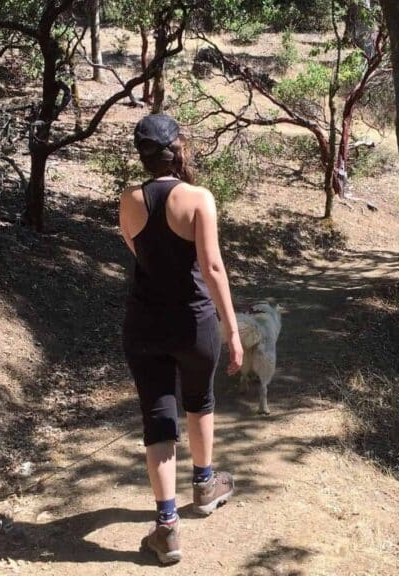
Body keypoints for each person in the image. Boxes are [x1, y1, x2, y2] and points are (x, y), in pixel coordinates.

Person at [118, 114, 244, 564]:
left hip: (145, 325)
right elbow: (211, 269)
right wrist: (232, 329)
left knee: (158, 418)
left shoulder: (128, 199)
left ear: (142, 154)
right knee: (199, 400)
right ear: (180, 148)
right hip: (194, 324)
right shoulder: (198, 199)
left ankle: (167, 526)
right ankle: (205, 485)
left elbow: (139, 251)